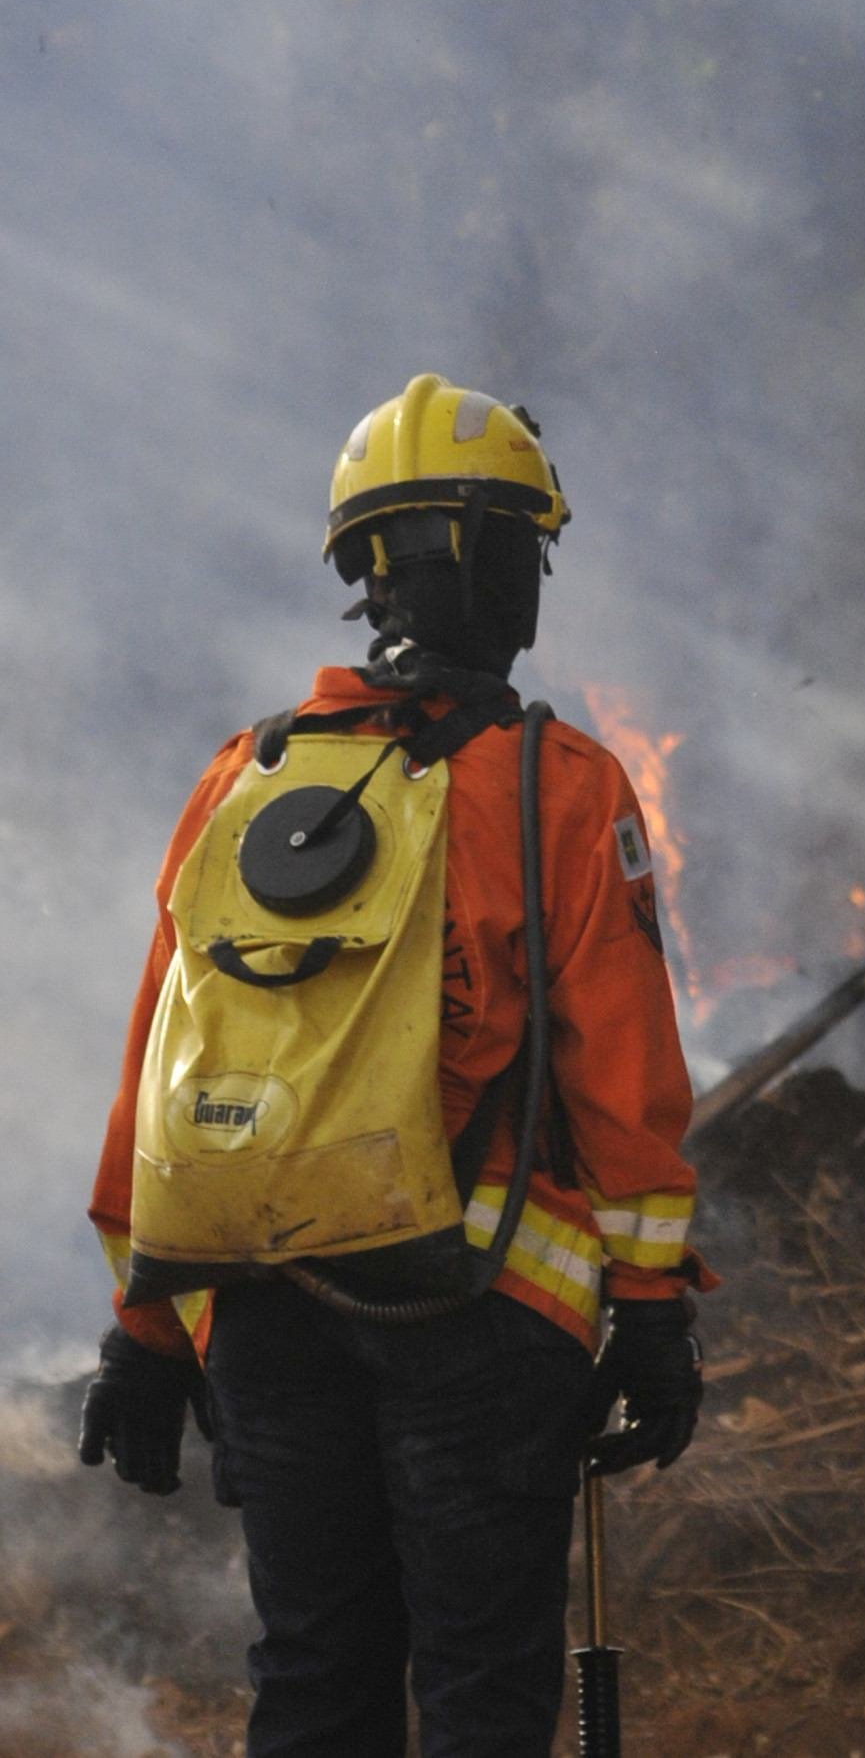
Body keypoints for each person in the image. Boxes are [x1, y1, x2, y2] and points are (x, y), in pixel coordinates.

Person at [77, 374, 712, 1756]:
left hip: (266, 1311)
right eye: (527, 551)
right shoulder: (560, 783)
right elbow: (622, 1074)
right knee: (480, 1691)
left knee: (314, 1680)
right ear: (498, 562)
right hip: (478, 1315)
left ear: (366, 569)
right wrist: (652, 1309)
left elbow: (162, 1069)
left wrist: (147, 1328)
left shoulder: (242, 776)